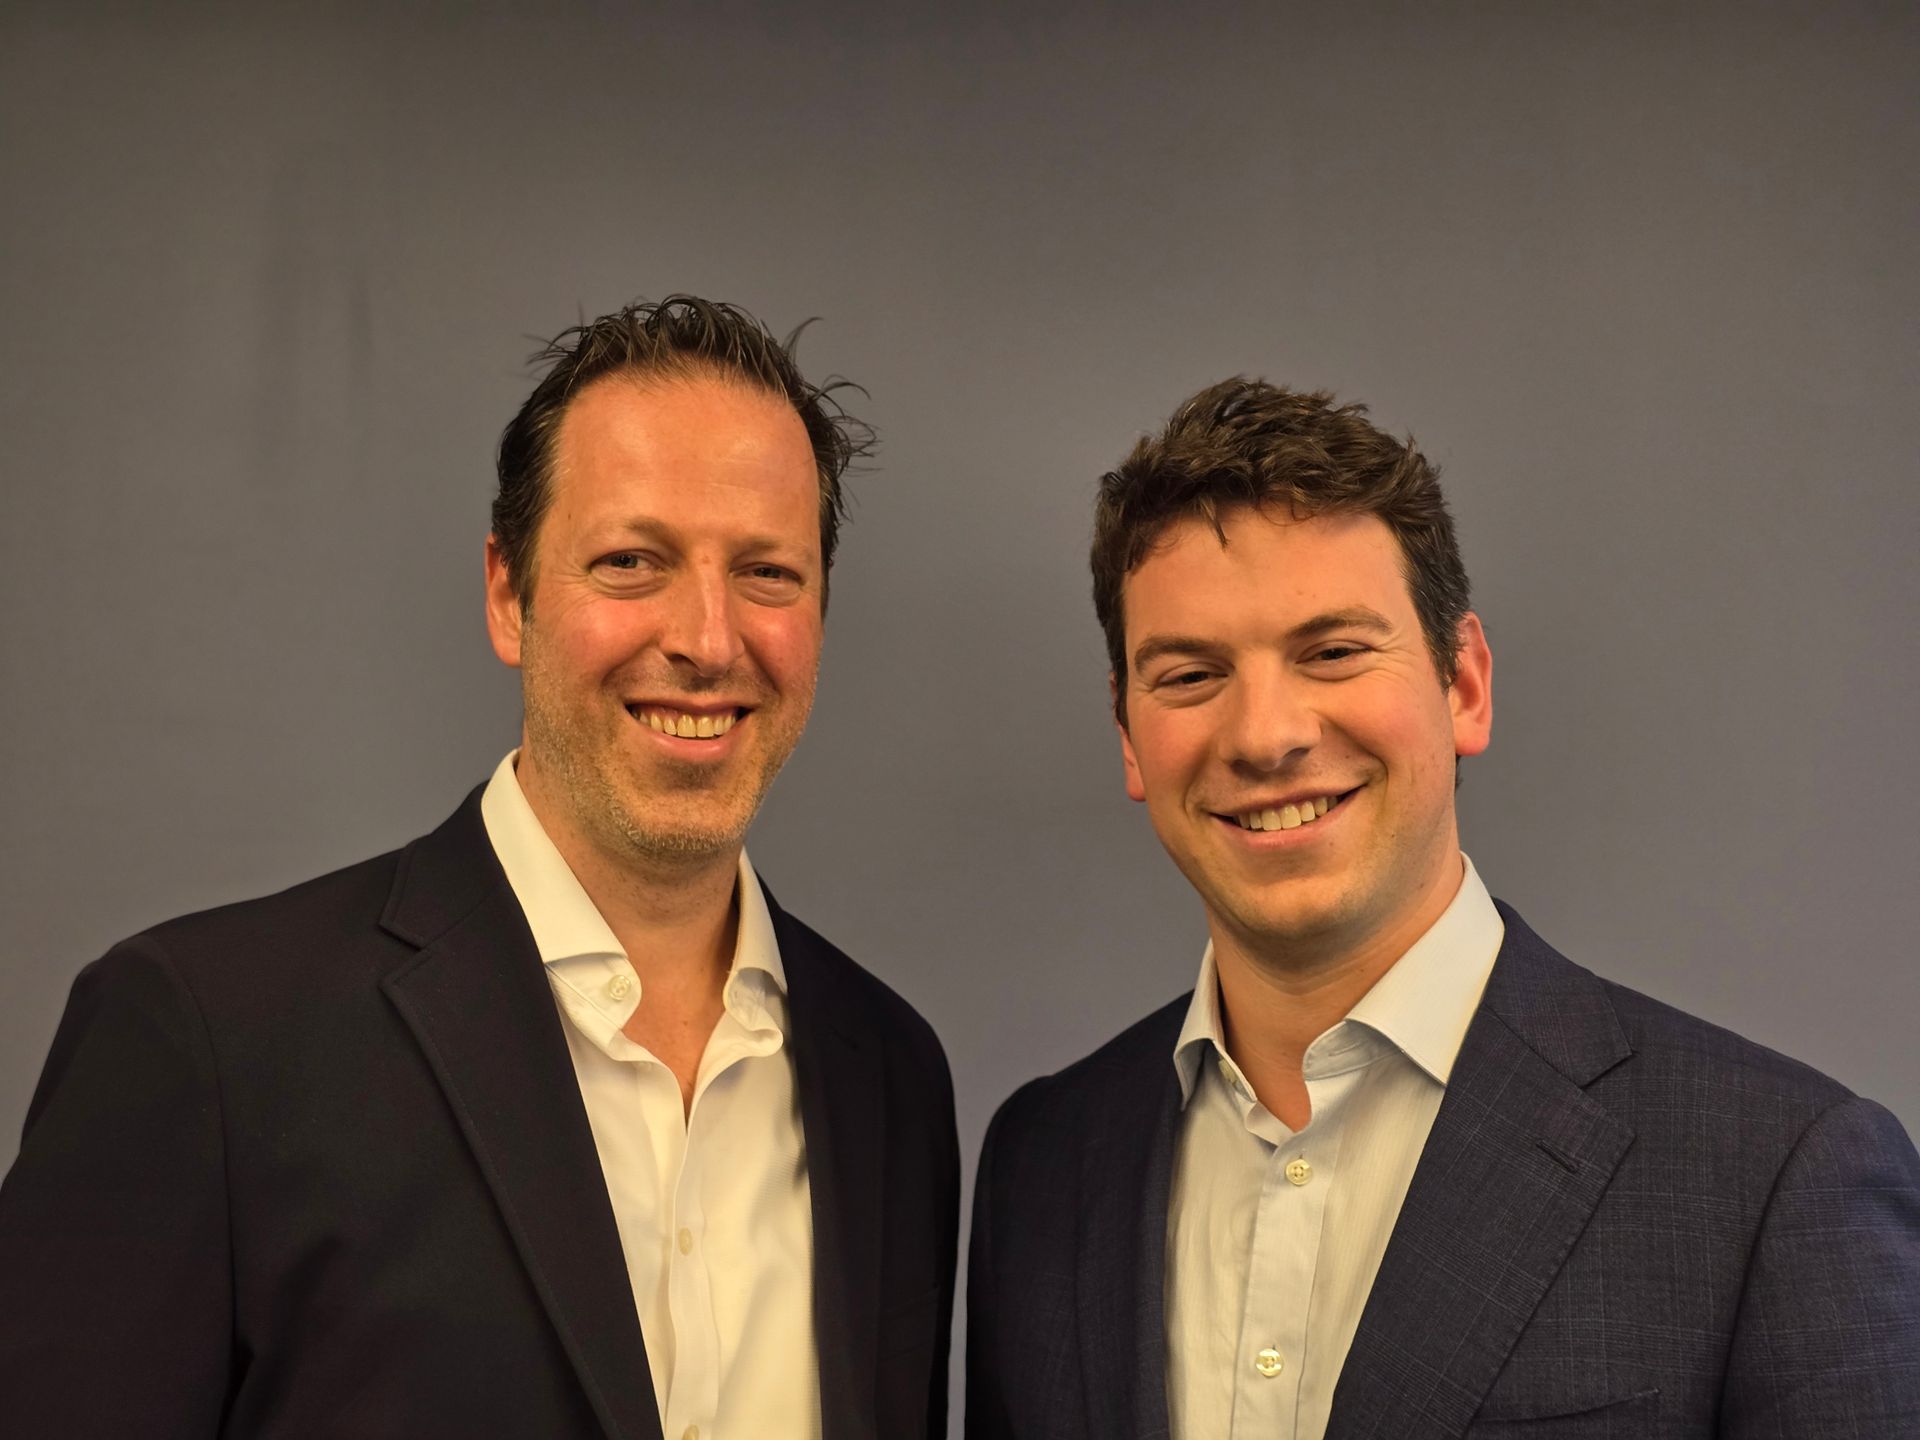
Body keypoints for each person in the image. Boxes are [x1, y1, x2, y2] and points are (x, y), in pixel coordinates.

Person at [0, 296, 959, 1440]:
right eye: (632, 561)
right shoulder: (204, 1041)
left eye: (768, 574)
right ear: (510, 595)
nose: (709, 640)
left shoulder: (889, 1079)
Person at [965, 379, 1919, 1439]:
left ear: (1464, 684)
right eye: (1191, 675)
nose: (1264, 735)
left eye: (1331, 651)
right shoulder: (1043, 1167)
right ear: (1127, 731)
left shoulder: (1779, 1176)